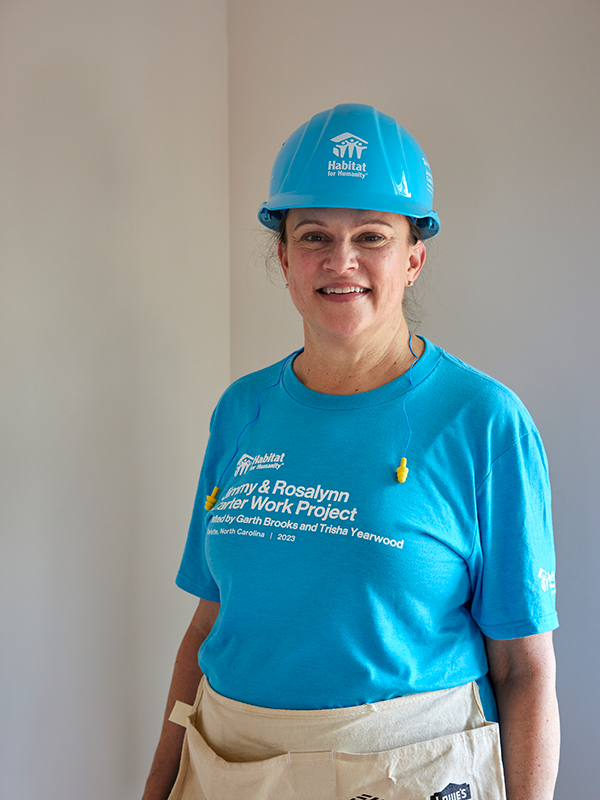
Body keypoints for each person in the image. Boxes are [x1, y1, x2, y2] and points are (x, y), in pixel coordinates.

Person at [142, 104, 559, 800]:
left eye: (372, 236)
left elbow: (524, 670)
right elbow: (210, 621)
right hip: (228, 771)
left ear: (414, 258)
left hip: (405, 776)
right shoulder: (241, 410)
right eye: (313, 236)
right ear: (282, 256)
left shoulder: (483, 421)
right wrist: (159, 783)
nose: (341, 262)